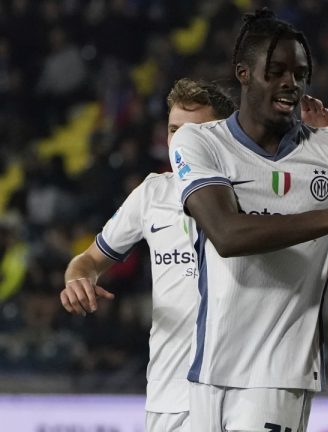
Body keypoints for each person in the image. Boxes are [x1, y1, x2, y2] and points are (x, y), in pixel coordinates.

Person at [167, 9, 328, 432]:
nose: (292, 82)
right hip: (207, 371)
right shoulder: (200, 141)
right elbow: (226, 234)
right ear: (243, 73)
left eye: (300, 73)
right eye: (277, 71)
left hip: (279, 377)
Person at [60, 78, 236, 432]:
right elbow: (90, 259)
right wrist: (77, 278)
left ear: (223, 137)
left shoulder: (252, 194)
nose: (180, 143)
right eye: (174, 131)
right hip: (168, 395)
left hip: (238, 393)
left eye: (194, 132)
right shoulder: (152, 193)